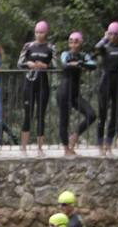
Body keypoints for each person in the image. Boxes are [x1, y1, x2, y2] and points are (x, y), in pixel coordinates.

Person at [57, 31, 96, 156]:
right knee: (64, 120)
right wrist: (79, 66)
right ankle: (66, 148)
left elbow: (93, 65)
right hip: (64, 92)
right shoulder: (66, 54)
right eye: (71, 42)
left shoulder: (83, 56)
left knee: (91, 115)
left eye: (76, 42)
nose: (73, 45)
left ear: (81, 43)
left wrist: (79, 64)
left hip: (75, 94)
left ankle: (75, 135)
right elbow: (64, 65)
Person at [18, 21, 53, 156]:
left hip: (43, 84)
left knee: (40, 115)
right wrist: (29, 64)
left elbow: (56, 64)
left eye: (42, 32)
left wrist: (44, 66)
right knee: (28, 114)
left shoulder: (50, 47)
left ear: (46, 33)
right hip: (29, 83)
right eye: (37, 32)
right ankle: (23, 148)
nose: (39, 35)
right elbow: (19, 63)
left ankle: (40, 148)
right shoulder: (28, 46)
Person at [94, 21, 118, 156]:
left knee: (114, 114)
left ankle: (109, 143)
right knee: (102, 114)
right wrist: (105, 38)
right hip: (106, 80)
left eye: (115, 34)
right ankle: (100, 143)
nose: (113, 36)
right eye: (111, 34)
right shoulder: (105, 47)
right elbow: (97, 48)